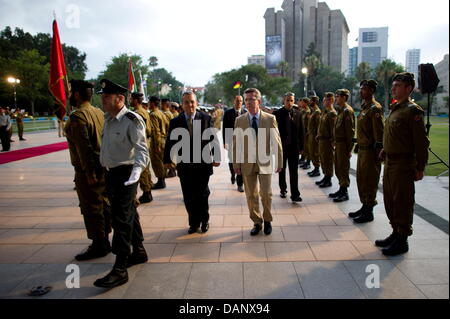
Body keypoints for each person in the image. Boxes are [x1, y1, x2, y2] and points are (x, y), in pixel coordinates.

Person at [94, 79, 150, 288]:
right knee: (129, 214)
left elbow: (142, 151)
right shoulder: (108, 119)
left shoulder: (131, 119)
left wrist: (135, 175)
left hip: (127, 173)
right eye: (102, 96)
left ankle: (120, 268)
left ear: (120, 99)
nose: (103, 100)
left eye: (106, 97)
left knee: (121, 219)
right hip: (112, 173)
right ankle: (139, 251)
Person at [376, 72, 429, 256]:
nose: (393, 88)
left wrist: (420, 167)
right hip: (390, 162)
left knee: (402, 202)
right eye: (393, 85)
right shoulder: (396, 109)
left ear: (409, 88)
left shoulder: (413, 111)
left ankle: (403, 239)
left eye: (398, 85)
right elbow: (394, 136)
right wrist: (385, 149)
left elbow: (421, 143)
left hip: (403, 164)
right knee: (389, 200)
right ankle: (395, 232)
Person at [65, 79, 112, 261]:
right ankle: (105, 239)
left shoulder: (78, 118)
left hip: (88, 171)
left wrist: (90, 173)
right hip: (103, 167)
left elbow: (84, 149)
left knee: (91, 208)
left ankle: (99, 244)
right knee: (104, 205)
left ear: (76, 95)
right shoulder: (100, 113)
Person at [164, 91, 221, 234]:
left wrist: (216, 156)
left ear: (196, 103)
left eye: (192, 102)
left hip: (203, 163)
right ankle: (193, 223)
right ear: (182, 105)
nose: (190, 105)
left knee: (202, 194)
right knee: (188, 195)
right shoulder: (175, 121)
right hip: (185, 165)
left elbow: (213, 139)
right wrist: (167, 160)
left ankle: (204, 220)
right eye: (187, 102)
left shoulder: (206, 118)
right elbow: (170, 141)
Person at [233, 88, 283, 236]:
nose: (248, 102)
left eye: (251, 99)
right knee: (251, 195)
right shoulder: (240, 120)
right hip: (247, 163)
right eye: (246, 99)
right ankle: (256, 222)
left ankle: (267, 220)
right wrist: (236, 164)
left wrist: (279, 161)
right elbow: (236, 144)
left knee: (266, 194)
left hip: (265, 162)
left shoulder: (269, 119)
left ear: (259, 101)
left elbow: (276, 141)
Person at [349, 80, 385, 223]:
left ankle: (369, 211)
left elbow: (379, 133)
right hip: (363, 151)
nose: (361, 92)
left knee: (370, 180)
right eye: (361, 89)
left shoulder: (375, 109)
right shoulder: (365, 108)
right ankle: (364, 206)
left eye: (364, 89)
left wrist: (379, 152)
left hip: (371, 152)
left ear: (371, 91)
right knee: (362, 180)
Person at [273, 92, 304, 202]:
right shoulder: (277, 114)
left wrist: (302, 147)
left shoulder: (298, 113)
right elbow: (274, 132)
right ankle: (283, 189)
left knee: (294, 171)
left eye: (291, 100)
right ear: (283, 101)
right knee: (282, 169)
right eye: (287, 100)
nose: (290, 103)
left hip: (294, 147)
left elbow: (301, 131)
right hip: (282, 147)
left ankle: (295, 194)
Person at [329, 89, 355, 202]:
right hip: (339, 144)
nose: (336, 98)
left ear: (344, 97)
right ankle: (341, 188)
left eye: (338, 96)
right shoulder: (341, 110)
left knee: (343, 168)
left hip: (344, 145)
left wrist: (349, 149)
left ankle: (344, 192)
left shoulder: (347, 111)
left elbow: (350, 132)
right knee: (338, 167)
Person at [130, 92, 154, 204]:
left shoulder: (137, 113)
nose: (130, 100)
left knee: (142, 169)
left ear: (135, 100)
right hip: (146, 142)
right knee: (146, 168)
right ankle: (147, 190)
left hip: (141, 143)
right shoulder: (144, 111)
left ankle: (146, 192)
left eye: (131, 99)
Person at [222, 95, 247, 192]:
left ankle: (240, 184)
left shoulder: (245, 113)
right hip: (231, 141)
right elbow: (225, 128)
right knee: (232, 160)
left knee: (241, 162)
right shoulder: (228, 113)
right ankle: (233, 174)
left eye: (241, 101)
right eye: (237, 101)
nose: (239, 103)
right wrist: (225, 142)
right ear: (234, 101)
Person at [315, 92, 337, 188]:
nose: (325, 101)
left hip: (328, 141)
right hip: (322, 139)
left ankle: (328, 178)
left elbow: (333, 129)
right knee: (323, 159)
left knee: (328, 159)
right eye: (325, 98)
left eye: (328, 99)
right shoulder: (325, 112)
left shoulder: (332, 113)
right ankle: (325, 176)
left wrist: (333, 141)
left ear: (332, 101)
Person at [148, 96, 169, 189]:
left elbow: (155, 131)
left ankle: (161, 181)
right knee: (162, 161)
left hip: (158, 141)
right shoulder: (161, 113)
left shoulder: (153, 115)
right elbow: (168, 125)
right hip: (164, 139)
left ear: (152, 103)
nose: (148, 104)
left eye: (149, 102)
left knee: (157, 162)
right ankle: (162, 180)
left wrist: (156, 145)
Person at [307, 92, 321, 177]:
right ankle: (315, 168)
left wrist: (317, 136)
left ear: (315, 102)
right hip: (311, 135)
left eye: (311, 101)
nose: (309, 102)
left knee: (315, 153)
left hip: (315, 136)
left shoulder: (317, 112)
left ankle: (317, 169)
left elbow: (318, 125)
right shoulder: (312, 111)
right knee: (312, 152)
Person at [299, 98, 312, 170]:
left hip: (307, 133)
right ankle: (304, 160)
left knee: (308, 148)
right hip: (303, 133)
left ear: (306, 103)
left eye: (302, 102)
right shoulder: (303, 111)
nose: (300, 104)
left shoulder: (308, 112)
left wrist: (307, 132)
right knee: (305, 147)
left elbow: (308, 124)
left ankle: (308, 162)